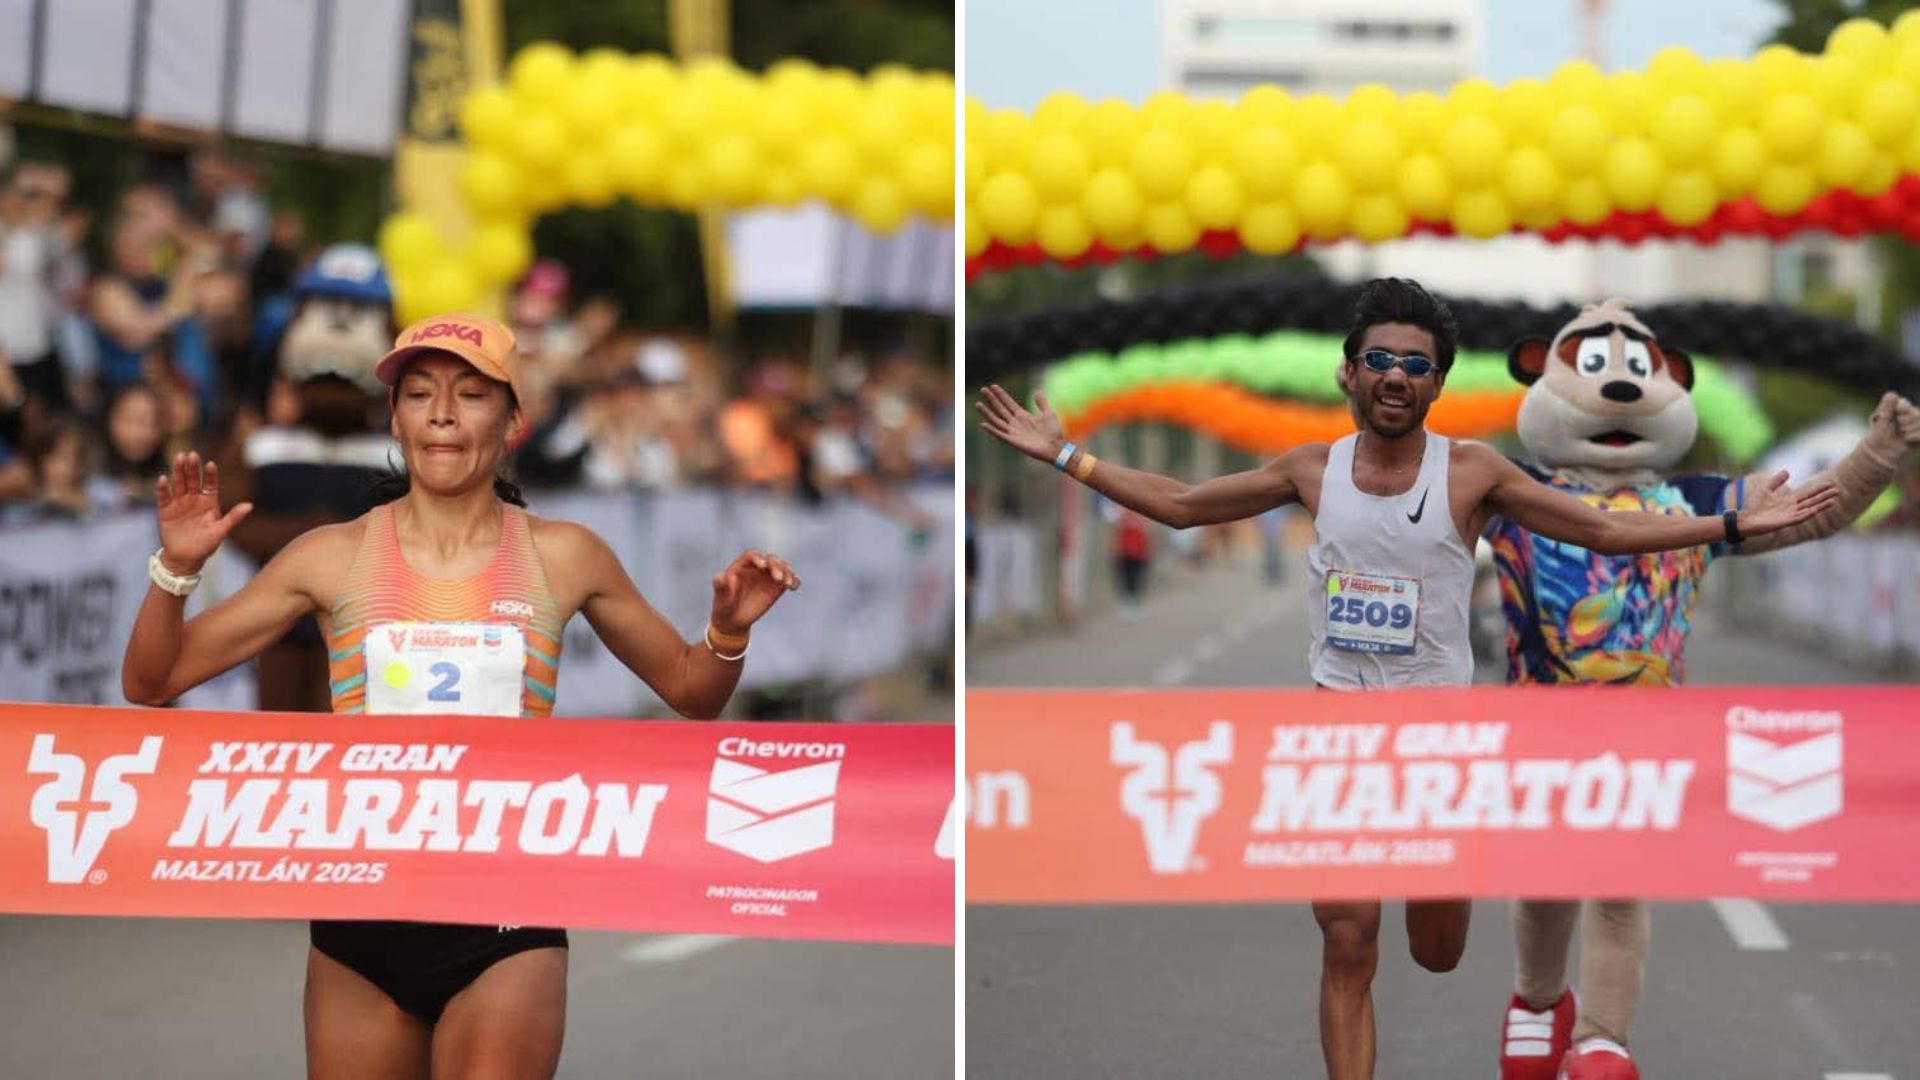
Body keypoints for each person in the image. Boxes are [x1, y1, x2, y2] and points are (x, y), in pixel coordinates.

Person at [975, 277, 1836, 1080]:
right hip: (1336, 739)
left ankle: (1498, 948)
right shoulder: (1310, 470)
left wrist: (1728, 524)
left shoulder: (1473, 473)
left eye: (1416, 365)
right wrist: (1068, 457)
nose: (1396, 375)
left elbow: (1600, 532)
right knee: (1348, 942)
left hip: (1436, 748)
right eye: (1380, 359)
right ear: (1349, 373)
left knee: (1437, 949)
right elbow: (1183, 504)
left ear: (1437, 385)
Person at [121, 313, 800, 1079]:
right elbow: (152, 681)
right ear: (396, 419)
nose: (441, 413)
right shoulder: (331, 556)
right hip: (362, 920)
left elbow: (691, 690)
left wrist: (726, 632)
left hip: (506, 919)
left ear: (513, 422)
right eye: (419, 394)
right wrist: (176, 570)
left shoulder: (565, 555)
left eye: (471, 395)